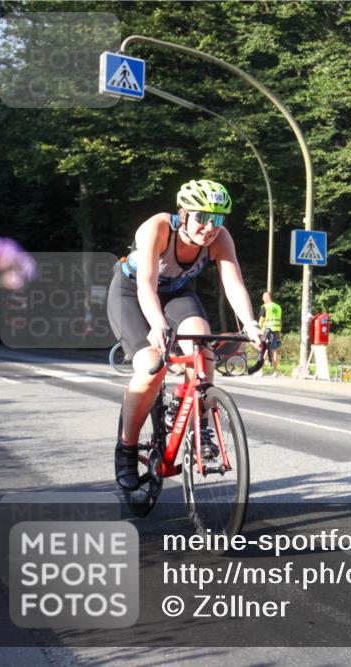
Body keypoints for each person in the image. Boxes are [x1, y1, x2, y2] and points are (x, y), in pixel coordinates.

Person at [108, 179, 263, 491]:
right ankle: (126, 449)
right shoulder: (157, 228)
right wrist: (157, 326)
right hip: (132, 293)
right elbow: (146, 286)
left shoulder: (220, 240)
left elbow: (233, 285)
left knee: (200, 341)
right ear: (184, 213)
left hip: (178, 293)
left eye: (218, 220)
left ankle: (201, 423)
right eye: (202, 217)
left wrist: (251, 326)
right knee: (152, 366)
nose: (210, 228)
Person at [258, 291, 282, 375]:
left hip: (267, 330)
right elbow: (280, 320)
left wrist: (259, 330)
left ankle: (260, 371)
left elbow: (261, 320)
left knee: (264, 349)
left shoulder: (265, 307)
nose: (262, 299)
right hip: (276, 330)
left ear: (268, 297)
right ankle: (275, 372)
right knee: (274, 350)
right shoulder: (278, 307)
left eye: (264, 297)